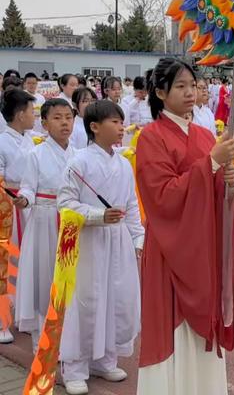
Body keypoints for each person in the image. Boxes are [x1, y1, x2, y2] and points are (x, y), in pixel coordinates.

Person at [135, 58, 234, 394]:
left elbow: (215, 196)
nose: (189, 92)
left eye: (192, 85)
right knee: (173, 330)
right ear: (161, 92)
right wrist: (211, 163)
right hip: (171, 249)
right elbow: (163, 197)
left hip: (202, 247)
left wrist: (229, 184)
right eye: (180, 86)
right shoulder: (151, 138)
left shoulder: (204, 134)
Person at [57, 100, 144, 395]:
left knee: (117, 299)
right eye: (115, 122)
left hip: (118, 242)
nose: (122, 127)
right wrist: (97, 216)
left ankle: (106, 359)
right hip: (89, 242)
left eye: (122, 122)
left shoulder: (122, 163)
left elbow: (132, 205)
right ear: (94, 127)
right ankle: (75, 367)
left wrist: (138, 238)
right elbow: (65, 204)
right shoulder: (78, 162)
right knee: (87, 301)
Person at [15, 99, 75, 354]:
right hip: (44, 218)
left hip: (72, 220)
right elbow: (28, 185)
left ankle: (71, 338)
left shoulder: (79, 154)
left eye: (68, 117)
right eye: (58, 117)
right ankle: (42, 338)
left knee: (70, 279)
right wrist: (25, 198)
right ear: (45, 123)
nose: (64, 123)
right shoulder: (35, 154)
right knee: (44, 276)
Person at [0, 89, 36, 343]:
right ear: (20, 114)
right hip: (7, 206)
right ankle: (2, 319)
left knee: (26, 261)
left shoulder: (30, 139)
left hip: (27, 205)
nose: (34, 116)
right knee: (6, 261)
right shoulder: (2, 141)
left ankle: (22, 314)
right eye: (32, 111)